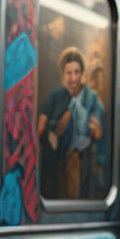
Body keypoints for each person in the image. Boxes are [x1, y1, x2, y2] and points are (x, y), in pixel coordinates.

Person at [37, 46, 104, 199]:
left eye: (76, 72)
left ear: (82, 74)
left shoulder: (91, 98)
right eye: (68, 73)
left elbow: (98, 133)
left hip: (83, 165)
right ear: (62, 76)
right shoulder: (55, 97)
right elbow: (40, 129)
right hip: (55, 165)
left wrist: (93, 128)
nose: (72, 78)